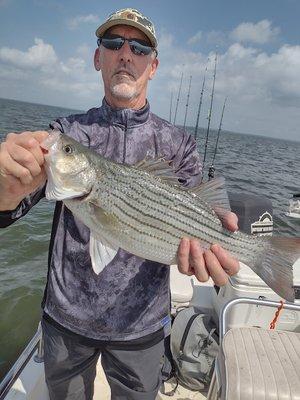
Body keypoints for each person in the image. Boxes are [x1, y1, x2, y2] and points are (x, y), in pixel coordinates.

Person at [0, 8, 239, 400]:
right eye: (113, 43)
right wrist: (5, 186)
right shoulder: (67, 133)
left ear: (153, 65)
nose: (125, 53)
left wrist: (213, 249)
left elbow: (206, 220)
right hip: (66, 324)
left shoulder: (179, 146)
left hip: (142, 329)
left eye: (139, 46)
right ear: (99, 58)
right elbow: (10, 209)